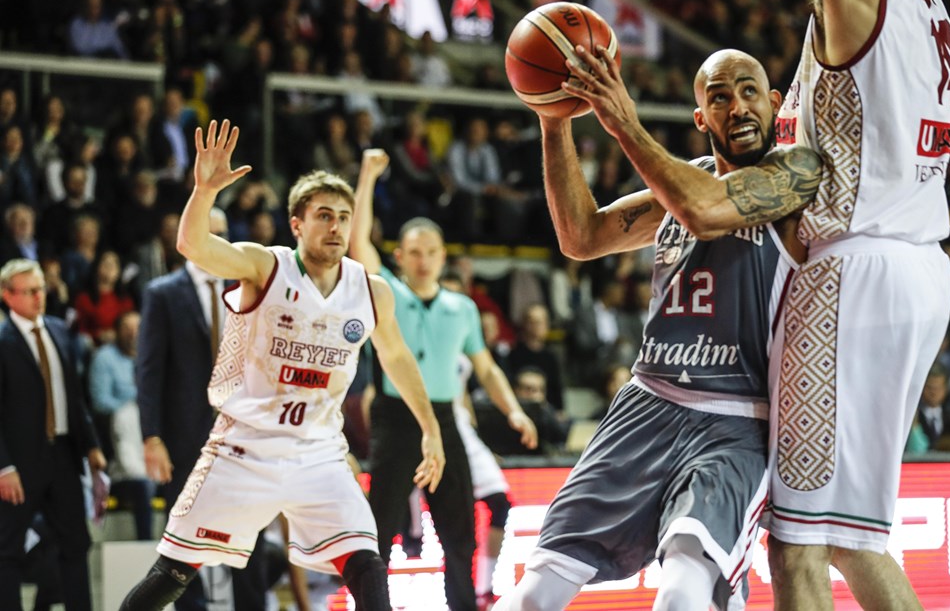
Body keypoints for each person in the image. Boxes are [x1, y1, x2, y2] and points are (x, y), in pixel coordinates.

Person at [495, 48, 823, 610]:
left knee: (680, 594)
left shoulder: (795, 174)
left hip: (732, 420)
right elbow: (581, 237)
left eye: (748, 91)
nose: (736, 106)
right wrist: (553, 120)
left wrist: (623, 122)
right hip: (645, 405)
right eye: (718, 97)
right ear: (702, 118)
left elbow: (706, 210)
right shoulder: (683, 181)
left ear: (774, 104)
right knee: (532, 595)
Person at [119, 119, 446, 611]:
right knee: (173, 572)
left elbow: (396, 358)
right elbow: (194, 246)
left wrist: (431, 427)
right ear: (297, 223)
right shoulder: (265, 266)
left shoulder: (371, 290)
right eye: (323, 216)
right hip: (244, 447)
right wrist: (204, 191)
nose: (335, 226)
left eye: (343, 216)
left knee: (367, 562)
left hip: (318, 453)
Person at [765, 0, 950, 608]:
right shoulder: (926, 3)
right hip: (916, 263)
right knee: (854, 538)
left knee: (797, 547)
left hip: (854, 272)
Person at [351, 150, 538, 611]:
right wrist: (368, 177)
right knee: (382, 530)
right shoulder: (387, 291)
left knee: (458, 531)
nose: (423, 261)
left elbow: (486, 367)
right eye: (413, 253)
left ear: (442, 256)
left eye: (431, 253)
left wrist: (513, 408)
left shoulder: (463, 307)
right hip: (396, 419)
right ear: (399, 256)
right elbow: (358, 244)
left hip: (445, 417)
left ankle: (463, 606)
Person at [139, 206, 268, 611]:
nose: (217, 242)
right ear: (190, 237)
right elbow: (149, 370)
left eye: (223, 234)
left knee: (251, 537)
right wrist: (152, 436)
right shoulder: (162, 293)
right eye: (208, 233)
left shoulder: (249, 289)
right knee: (184, 544)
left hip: (244, 432)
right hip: (184, 434)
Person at [0, 258, 108, 611]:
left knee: (75, 544)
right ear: (7, 296)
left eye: (41, 289)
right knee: (8, 549)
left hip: (63, 453)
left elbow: (74, 397)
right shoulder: (2, 340)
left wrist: (91, 445)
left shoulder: (60, 330)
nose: (38, 297)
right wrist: (4, 467)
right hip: (19, 460)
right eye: (29, 291)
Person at [88, 310, 153, 540]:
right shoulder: (105, 358)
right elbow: (100, 402)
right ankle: (146, 550)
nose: (134, 334)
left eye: (138, 328)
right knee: (142, 486)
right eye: (128, 329)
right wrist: (133, 403)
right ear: (117, 332)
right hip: (118, 439)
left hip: (148, 436)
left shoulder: (150, 357)